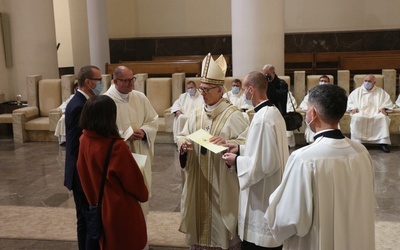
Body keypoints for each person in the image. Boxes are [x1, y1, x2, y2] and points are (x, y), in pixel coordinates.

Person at [266, 84, 375, 250]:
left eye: (307, 108)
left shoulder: (304, 158)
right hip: (354, 239)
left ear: (313, 113)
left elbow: (288, 218)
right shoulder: (361, 152)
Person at [176, 53, 249, 250]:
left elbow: (247, 143)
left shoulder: (234, 115)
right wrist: (183, 146)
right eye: (201, 89)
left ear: (219, 90)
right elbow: (183, 135)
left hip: (221, 180)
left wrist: (229, 143)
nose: (202, 93)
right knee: (199, 227)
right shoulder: (197, 113)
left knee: (220, 228)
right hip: (199, 177)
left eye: (206, 90)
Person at [222, 71, 289, 250]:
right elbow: (265, 150)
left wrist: (236, 161)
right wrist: (241, 148)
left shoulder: (263, 119)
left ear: (251, 90)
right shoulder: (272, 112)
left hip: (262, 197)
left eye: (244, 89)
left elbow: (264, 163)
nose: (243, 93)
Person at [77, 95, 148, 249]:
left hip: (97, 203)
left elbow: (82, 171)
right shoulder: (116, 146)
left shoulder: (84, 139)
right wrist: (143, 193)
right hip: (119, 210)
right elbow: (135, 184)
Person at [104, 65, 158, 215]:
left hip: (141, 150)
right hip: (121, 155)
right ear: (115, 81)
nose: (131, 84)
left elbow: (152, 119)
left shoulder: (140, 97)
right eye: (126, 81)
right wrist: (125, 134)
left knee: (141, 191)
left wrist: (144, 131)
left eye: (132, 79)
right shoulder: (106, 102)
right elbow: (103, 131)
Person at [64, 65, 104, 250]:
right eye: (98, 79)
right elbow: (74, 146)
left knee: (86, 219)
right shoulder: (79, 106)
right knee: (88, 220)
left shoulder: (83, 101)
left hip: (82, 171)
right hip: (81, 174)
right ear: (88, 82)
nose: (101, 83)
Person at [347, 74, 394, 153]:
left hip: (376, 112)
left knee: (382, 117)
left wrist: (383, 107)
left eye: (369, 81)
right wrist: (353, 107)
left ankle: (383, 143)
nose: (367, 83)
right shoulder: (357, 92)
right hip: (361, 112)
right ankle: (357, 142)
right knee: (356, 118)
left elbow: (387, 102)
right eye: (365, 81)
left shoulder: (381, 92)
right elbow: (350, 101)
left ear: (374, 83)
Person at [299, 75, 332, 144]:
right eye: (321, 81)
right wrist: (312, 109)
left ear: (329, 83)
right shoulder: (312, 93)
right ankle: (312, 141)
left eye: (325, 81)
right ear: (318, 82)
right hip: (315, 114)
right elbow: (303, 105)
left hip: (327, 114)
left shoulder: (332, 93)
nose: (323, 82)